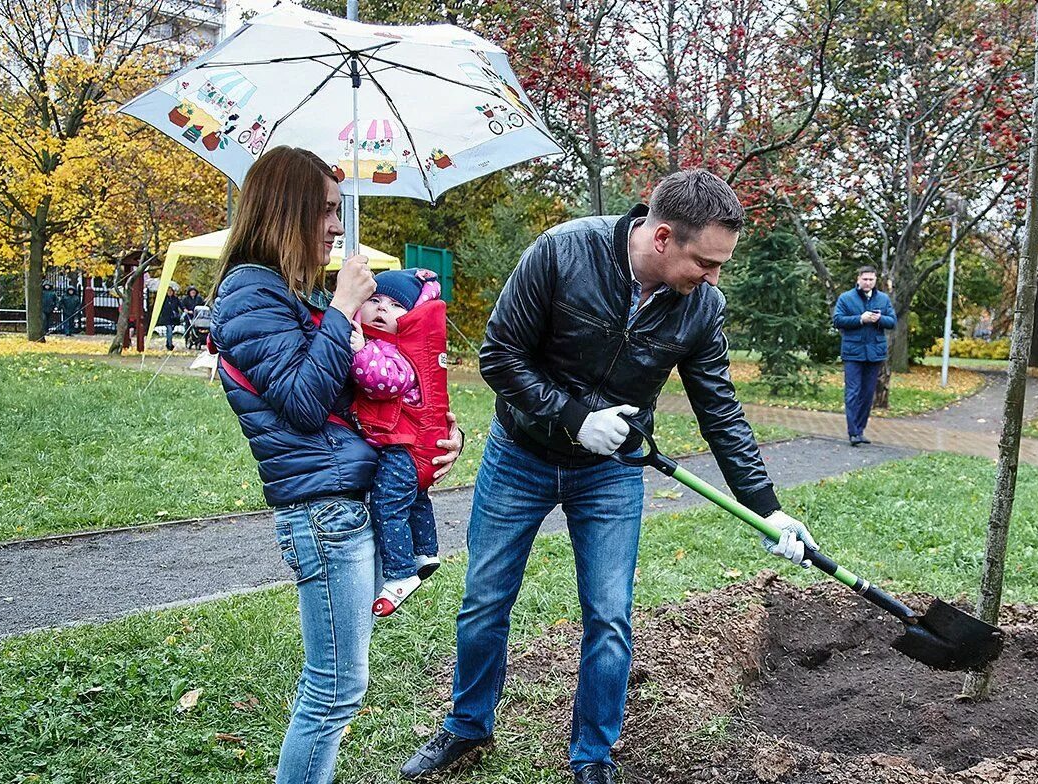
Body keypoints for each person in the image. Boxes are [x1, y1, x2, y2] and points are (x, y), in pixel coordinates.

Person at [399, 169, 817, 784]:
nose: (714, 278)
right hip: (521, 455)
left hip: (612, 473)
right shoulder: (563, 251)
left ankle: (592, 759)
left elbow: (720, 408)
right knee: (486, 599)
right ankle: (467, 729)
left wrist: (766, 507)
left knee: (610, 616)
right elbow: (498, 355)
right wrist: (574, 416)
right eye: (705, 262)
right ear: (663, 237)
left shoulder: (701, 307)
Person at [209, 146, 464, 784]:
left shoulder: (288, 295)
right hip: (322, 514)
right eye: (324, 209)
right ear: (288, 210)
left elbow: (349, 397)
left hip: (345, 502)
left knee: (339, 690)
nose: (335, 225)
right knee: (333, 692)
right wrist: (344, 309)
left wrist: (427, 440)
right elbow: (301, 402)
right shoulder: (248, 293)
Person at [349, 268, 451, 617]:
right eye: (374, 300)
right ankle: (425, 550)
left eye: (394, 305)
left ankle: (400, 573)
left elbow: (384, 381)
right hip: (412, 447)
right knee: (415, 499)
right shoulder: (391, 345)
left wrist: (360, 352)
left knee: (387, 504)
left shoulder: (394, 351)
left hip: (403, 448)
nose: (381, 309)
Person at [831, 266, 897, 446]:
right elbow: (837, 320)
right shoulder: (846, 298)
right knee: (852, 392)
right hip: (853, 353)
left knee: (868, 394)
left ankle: (860, 431)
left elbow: (892, 321)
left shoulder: (883, 299)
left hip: (874, 354)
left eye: (871, 279)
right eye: (865, 279)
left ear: (876, 280)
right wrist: (861, 319)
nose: (868, 282)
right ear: (858, 279)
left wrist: (879, 320)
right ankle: (852, 432)